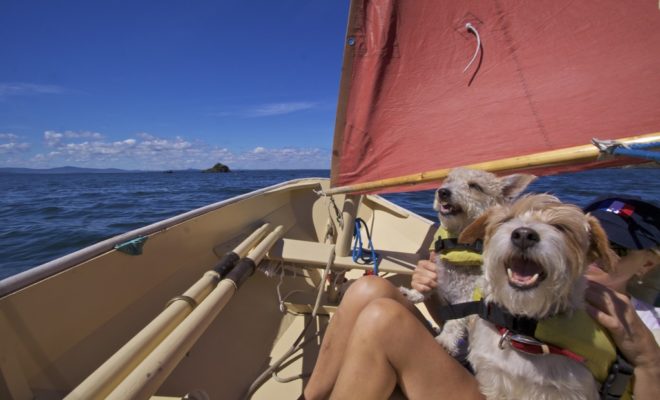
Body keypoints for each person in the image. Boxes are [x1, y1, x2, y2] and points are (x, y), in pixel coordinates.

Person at [302, 196, 660, 400]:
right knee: (369, 289)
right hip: (477, 378)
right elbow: (464, 329)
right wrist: (433, 291)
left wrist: (647, 359)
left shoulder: (641, 322)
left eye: (614, 248)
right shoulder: (523, 283)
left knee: (383, 320)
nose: (597, 259)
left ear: (646, 263)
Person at [583, 196, 660, 341]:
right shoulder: (533, 290)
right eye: (587, 240)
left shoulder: (650, 324)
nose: (593, 252)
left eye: (615, 248)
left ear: (646, 264)